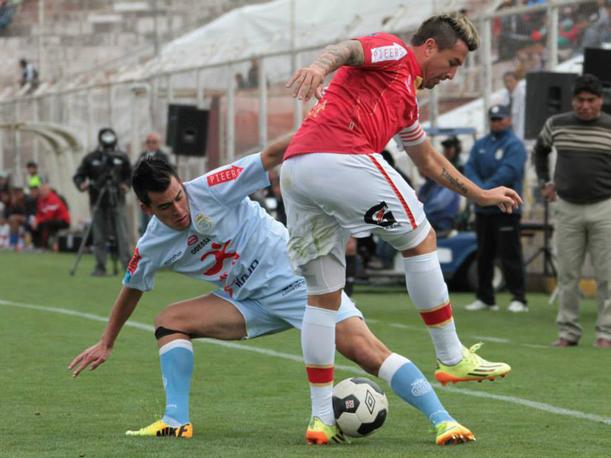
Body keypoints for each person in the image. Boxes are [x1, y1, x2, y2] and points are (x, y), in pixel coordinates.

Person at [69, 138, 475, 446]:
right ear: (145, 208)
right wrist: (107, 342)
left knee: (366, 351)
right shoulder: (152, 244)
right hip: (245, 301)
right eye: (165, 206)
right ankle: (177, 420)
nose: (179, 209)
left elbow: (270, 155)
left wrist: (321, 133)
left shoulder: (209, 187)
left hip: (295, 280)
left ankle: (444, 420)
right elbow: (131, 288)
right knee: (169, 321)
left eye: (179, 196)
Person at [282, 13, 520, 444]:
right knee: (421, 237)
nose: (451, 74)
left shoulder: (405, 102)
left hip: (297, 170)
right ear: (429, 47)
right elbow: (350, 48)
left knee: (323, 299)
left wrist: (481, 194)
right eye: (453, 62)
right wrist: (320, 66)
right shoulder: (394, 53)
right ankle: (451, 355)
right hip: (338, 154)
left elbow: (427, 160)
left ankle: (320, 418)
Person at [533, 74, 611, 348]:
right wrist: (544, 183)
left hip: (605, 207)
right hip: (567, 208)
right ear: (572, 100)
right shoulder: (557, 124)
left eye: (591, 100)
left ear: (600, 100)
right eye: (580, 100)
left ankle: (607, 333)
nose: (585, 106)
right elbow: (539, 151)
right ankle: (568, 331)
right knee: (567, 274)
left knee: (608, 275)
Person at [464, 105, 528, 313]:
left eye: (500, 118)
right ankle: (485, 297)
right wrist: (481, 192)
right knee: (483, 254)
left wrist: (484, 190)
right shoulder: (481, 144)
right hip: (483, 210)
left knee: (510, 254)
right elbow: (469, 168)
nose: (496, 122)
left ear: (508, 120)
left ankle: (518, 298)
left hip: (506, 209)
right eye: (493, 118)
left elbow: (509, 171)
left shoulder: (514, 145)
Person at [73, 128, 132, 276]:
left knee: (122, 234)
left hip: (117, 199)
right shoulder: (91, 158)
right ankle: (100, 266)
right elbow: (78, 176)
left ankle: (129, 267)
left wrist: (126, 185)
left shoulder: (121, 157)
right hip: (97, 200)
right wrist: (82, 185)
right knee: (99, 235)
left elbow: (130, 175)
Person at [418, 137, 462, 234]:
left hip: (443, 220)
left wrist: (421, 213)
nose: (446, 151)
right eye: (445, 148)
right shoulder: (429, 184)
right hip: (431, 219)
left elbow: (438, 203)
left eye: (449, 148)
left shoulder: (453, 173)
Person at [137, 132, 170, 234]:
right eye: (148, 142)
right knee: (144, 224)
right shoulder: (142, 156)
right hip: (144, 195)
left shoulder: (163, 157)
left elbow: (166, 173)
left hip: (158, 195)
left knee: (157, 223)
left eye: (154, 142)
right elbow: (135, 172)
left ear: (158, 143)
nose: (151, 144)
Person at [31, 182, 70, 250]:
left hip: (63, 221)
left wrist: (38, 221)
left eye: (44, 190)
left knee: (45, 224)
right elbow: (39, 213)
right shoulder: (41, 200)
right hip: (51, 220)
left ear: (49, 191)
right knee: (33, 225)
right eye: (41, 191)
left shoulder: (53, 199)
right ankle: (36, 245)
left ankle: (44, 246)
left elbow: (49, 216)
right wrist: (36, 221)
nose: (42, 192)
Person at [500, 71, 526, 141]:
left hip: (519, 133)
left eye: (510, 81)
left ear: (517, 81)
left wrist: (519, 139)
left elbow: (522, 119)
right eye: (505, 82)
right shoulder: (504, 95)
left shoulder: (523, 95)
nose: (508, 84)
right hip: (508, 131)